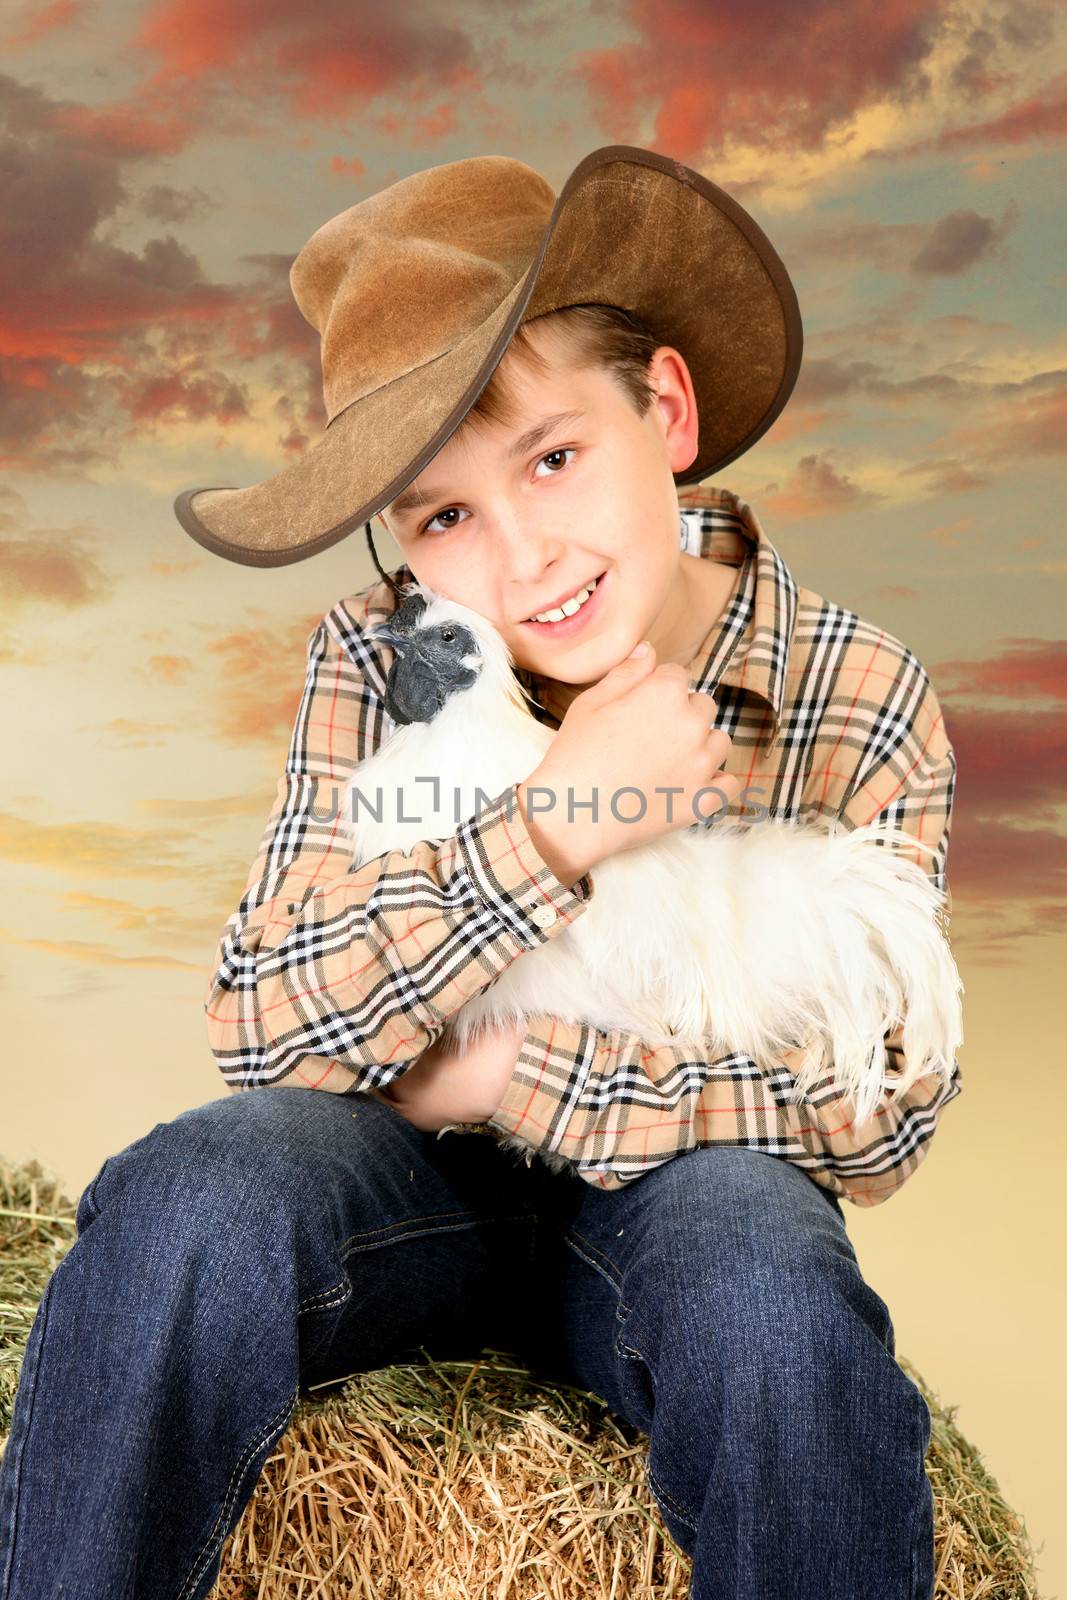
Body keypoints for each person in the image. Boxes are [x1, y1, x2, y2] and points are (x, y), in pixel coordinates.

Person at [0, 145, 961, 1599]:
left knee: (772, 1301)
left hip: (688, 1209)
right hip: (403, 1195)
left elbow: (873, 1120)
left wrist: (503, 1077)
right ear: (401, 544)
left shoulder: (856, 686)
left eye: (555, 457)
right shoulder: (378, 656)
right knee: (193, 1195)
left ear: (670, 413)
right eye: (444, 517)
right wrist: (552, 828)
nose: (521, 559)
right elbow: (263, 1014)